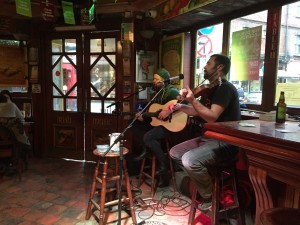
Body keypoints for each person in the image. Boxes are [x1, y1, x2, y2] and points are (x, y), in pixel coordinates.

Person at [168, 54, 241, 211]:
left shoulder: (225, 89)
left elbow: (212, 117)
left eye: (208, 63)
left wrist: (192, 99)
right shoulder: (211, 89)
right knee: (175, 152)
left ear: (219, 67)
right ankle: (208, 181)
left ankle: (211, 196)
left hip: (226, 143)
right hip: (209, 139)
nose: (204, 66)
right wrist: (180, 107)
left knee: (189, 160)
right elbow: (197, 111)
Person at [130, 68, 180, 185]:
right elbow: (154, 114)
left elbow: (183, 103)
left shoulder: (171, 91)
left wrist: (168, 111)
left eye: (156, 79)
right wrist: (143, 117)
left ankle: (164, 164)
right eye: (154, 79)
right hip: (159, 124)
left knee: (148, 137)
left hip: (171, 126)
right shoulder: (157, 94)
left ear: (164, 81)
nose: (154, 81)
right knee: (134, 123)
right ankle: (146, 148)